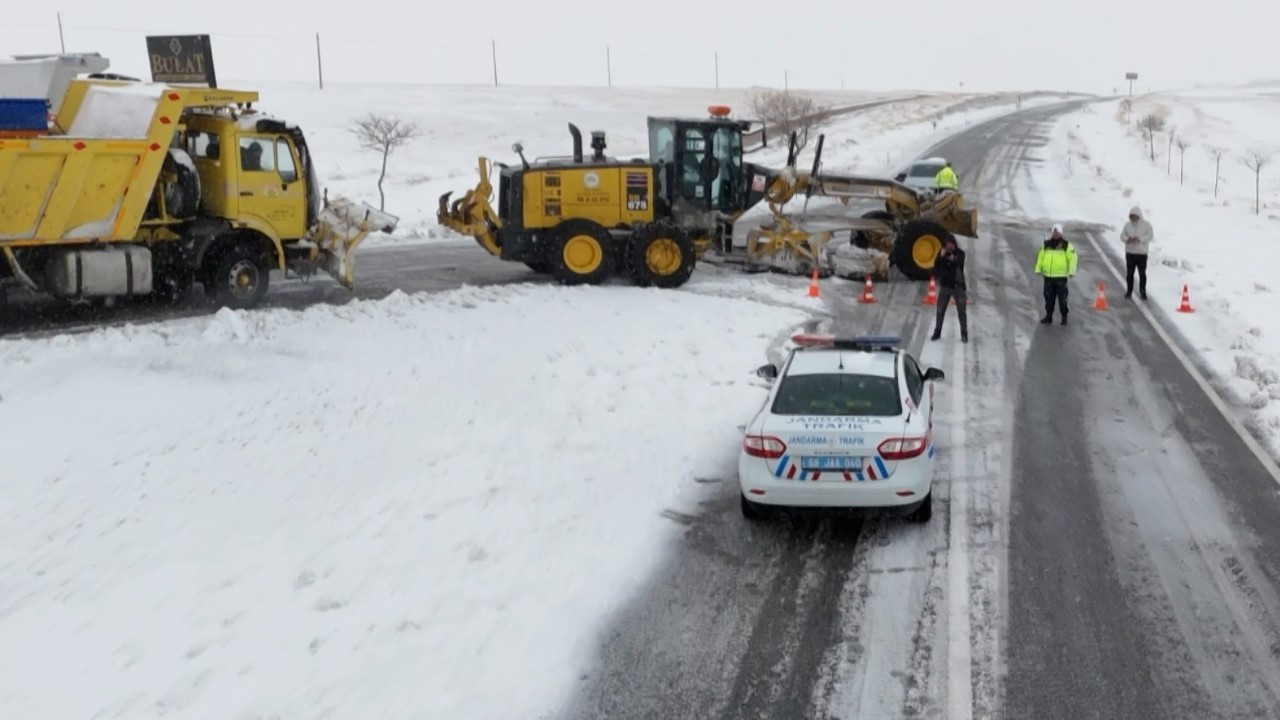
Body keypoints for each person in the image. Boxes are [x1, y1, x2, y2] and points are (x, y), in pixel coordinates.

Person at [1034, 224, 1078, 324]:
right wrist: (1038, 268)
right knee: (1048, 298)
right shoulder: (1046, 244)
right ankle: (1048, 316)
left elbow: (1073, 259)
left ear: (1061, 233)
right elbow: (1040, 257)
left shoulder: (1066, 245)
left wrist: (1071, 271)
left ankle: (1064, 316)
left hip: (1060, 277)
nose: (1055, 234)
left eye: (1057, 233)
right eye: (1054, 232)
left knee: (1062, 299)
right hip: (1048, 277)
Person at [930, 236, 968, 343]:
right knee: (940, 310)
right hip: (945, 286)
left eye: (951, 244)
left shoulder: (960, 253)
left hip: (958, 286)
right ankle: (937, 332)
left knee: (961, 311)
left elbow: (960, 262)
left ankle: (964, 333)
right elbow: (934, 269)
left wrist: (953, 260)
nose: (949, 247)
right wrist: (940, 258)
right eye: (947, 244)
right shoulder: (941, 254)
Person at [1120, 205, 1153, 299]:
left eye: (1135, 215)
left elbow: (1150, 236)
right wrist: (1127, 239)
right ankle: (1129, 291)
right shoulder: (1127, 225)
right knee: (1130, 273)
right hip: (1130, 253)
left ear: (1139, 215)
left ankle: (1143, 291)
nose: (1133, 217)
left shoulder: (1146, 225)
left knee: (1142, 273)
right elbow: (1122, 236)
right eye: (1131, 216)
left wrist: (1140, 239)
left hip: (1141, 254)